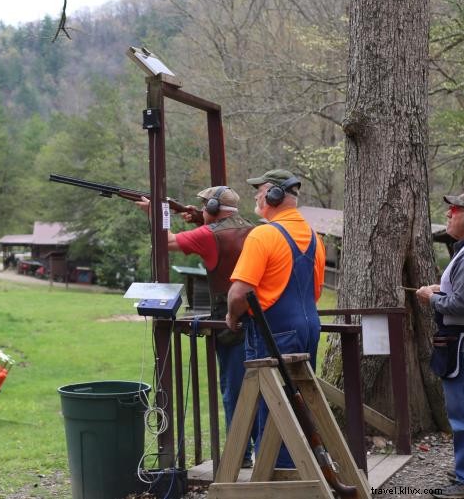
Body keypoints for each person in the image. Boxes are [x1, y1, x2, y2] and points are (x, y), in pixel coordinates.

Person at [137, 185, 258, 468]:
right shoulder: (254, 229)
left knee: (233, 388)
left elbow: (165, 242)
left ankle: (239, 454)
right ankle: (254, 448)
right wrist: (197, 218)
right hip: (260, 317)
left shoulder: (208, 234)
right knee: (257, 385)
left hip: (230, 320)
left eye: (204, 207)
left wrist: (156, 214)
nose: (201, 210)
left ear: (213, 209)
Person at [225, 169, 325, 469]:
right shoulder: (315, 238)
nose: (257, 196)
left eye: (261, 190)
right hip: (308, 327)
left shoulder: (264, 234)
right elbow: (316, 291)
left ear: (274, 196)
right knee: (299, 401)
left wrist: (232, 316)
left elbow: (239, 292)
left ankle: (279, 474)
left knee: (273, 405)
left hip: (273, 331)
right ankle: (301, 466)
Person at [416, 191, 464, 499]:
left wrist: (432, 297)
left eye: (455, 209)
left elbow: (461, 305)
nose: (449, 213)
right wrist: (440, 289)